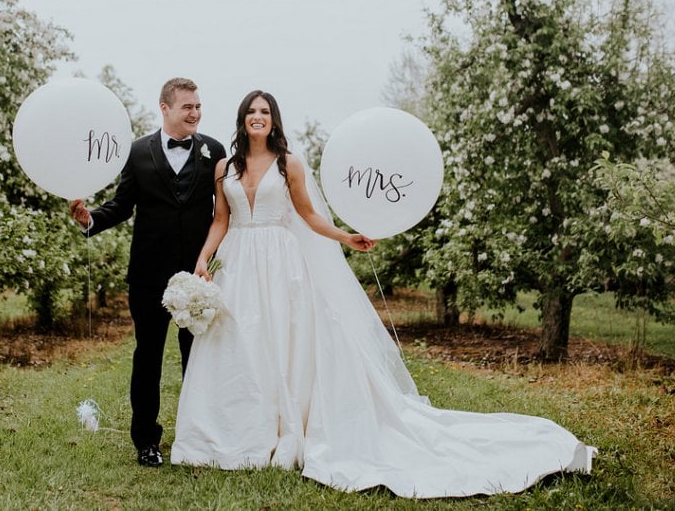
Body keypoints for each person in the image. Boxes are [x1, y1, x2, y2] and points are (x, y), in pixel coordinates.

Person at [170, 90, 595, 498]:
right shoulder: (225, 167)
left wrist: (345, 237)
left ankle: (287, 430)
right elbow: (220, 220)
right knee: (241, 343)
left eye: (264, 111)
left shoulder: (288, 164)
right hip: (240, 261)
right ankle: (236, 432)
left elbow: (308, 216)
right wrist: (204, 258)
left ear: (273, 119)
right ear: (243, 120)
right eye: (251, 111)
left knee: (282, 340)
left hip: (281, 264)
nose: (257, 117)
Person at [70, 77, 226, 468]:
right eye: (187, 106)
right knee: (148, 358)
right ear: (165, 108)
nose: (195, 113)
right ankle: (146, 441)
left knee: (200, 358)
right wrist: (91, 219)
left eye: (198, 106)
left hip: (198, 276)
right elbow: (122, 205)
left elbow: (224, 210)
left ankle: (200, 435)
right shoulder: (137, 152)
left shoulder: (214, 151)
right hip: (148, 276)